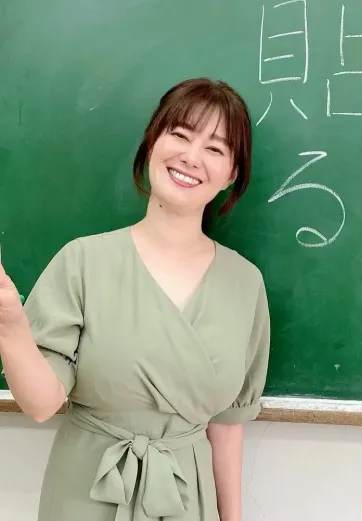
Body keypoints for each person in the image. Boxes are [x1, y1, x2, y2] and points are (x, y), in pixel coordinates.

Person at [0, 77, 270, 521]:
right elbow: (41, 403)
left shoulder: (245, 283)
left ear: (232, 174)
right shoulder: (83, 261)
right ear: (152, 142)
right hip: (86, 493)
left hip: (188, 497)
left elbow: (227, 426)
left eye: (215, 148)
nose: (191, 157)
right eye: (179, 134)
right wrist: (10, 325)